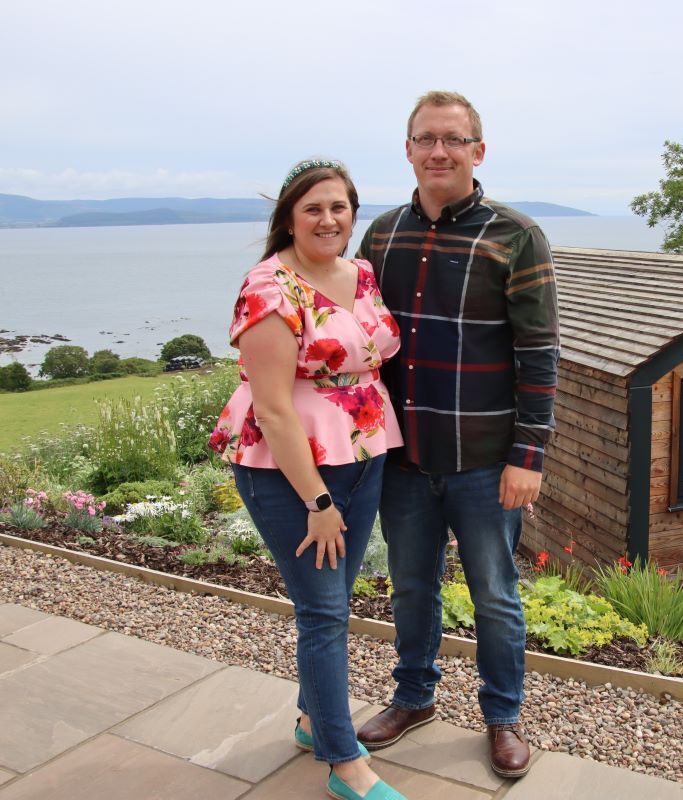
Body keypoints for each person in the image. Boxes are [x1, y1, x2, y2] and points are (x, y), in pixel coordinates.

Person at [354, 91, 559, 778]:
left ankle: (503, 716)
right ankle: (414, 698)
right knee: (411, 587)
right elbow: (357, 334)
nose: (438, 151)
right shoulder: (382, 235)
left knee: (495, 597)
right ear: (408, 149)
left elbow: (539, 354)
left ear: (478, 150)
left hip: (485, 462)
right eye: (425, 139)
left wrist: (528, 455)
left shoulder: (516, 236)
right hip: (403, 458)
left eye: (453, 139)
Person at [210, 159, 406, 800]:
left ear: (353, 213)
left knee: (334, 603)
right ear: (289, 219)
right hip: (290, 470)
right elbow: (271, 409)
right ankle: (344, 763)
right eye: (313, 209)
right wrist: (318, 501)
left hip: (365, 453)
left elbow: (371, 358)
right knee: (323, 613)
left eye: (338, 207)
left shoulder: (362, 273)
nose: (328, 220)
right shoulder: (268, 289)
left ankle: (308, 719)